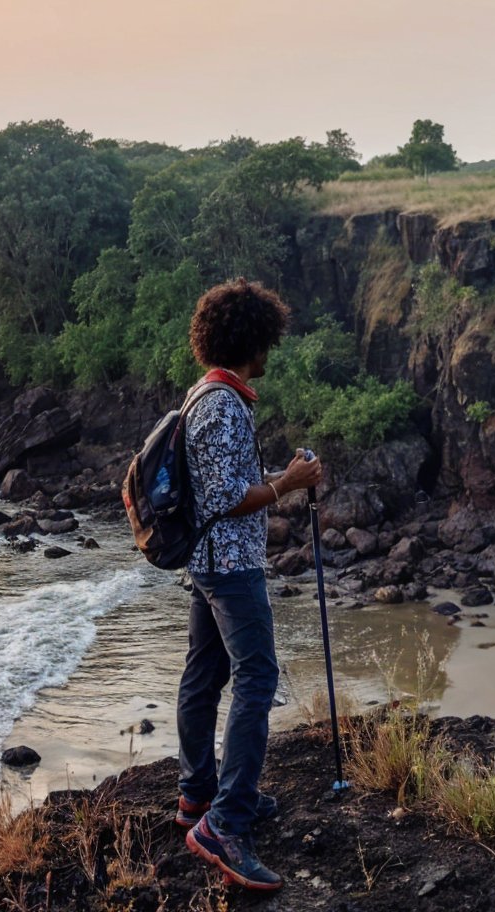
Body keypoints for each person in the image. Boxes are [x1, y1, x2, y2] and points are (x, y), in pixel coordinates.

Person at [174, 278, 324, 892]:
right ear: (249, 339)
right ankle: (224, 823)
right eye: (266, 340)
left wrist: (282, 476)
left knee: (204, 675)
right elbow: (231, 497)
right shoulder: (225, 406)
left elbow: (225, 482)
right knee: (257, 678)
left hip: (206, 560)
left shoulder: (202, 395)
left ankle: (198, 796)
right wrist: (289, 484)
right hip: (230, 565)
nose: (271, 351)